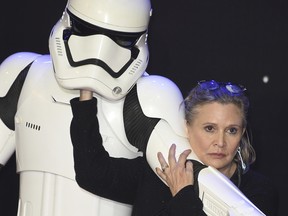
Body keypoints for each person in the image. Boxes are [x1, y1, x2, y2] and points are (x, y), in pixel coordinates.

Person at [70, 80, 278, 215]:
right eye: (209, 128)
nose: (220, 142)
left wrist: (184, 195)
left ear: (242, 134)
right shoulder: (158, 171)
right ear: (187, 128)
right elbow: (92, 173)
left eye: (231, 130)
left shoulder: (258, 191)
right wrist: (86, 93)